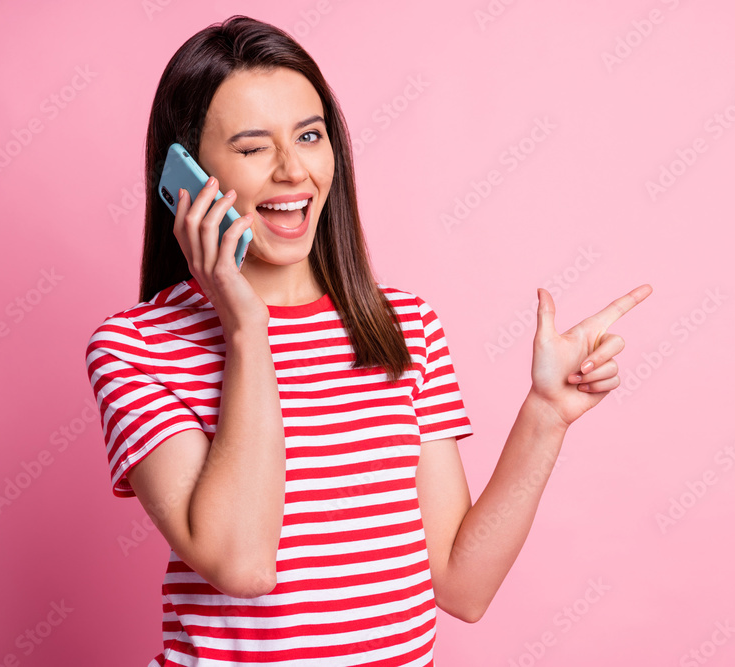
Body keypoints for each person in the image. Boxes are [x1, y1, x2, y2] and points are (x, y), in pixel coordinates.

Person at [84, 14, 651, 667]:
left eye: (309, 135)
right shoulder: (135, 347)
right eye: (251, 147)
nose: (293, 171)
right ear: (185, 173)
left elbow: (462, 586)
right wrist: (243, 326)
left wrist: (547, 415)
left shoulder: (403, 327)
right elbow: (242, 563)